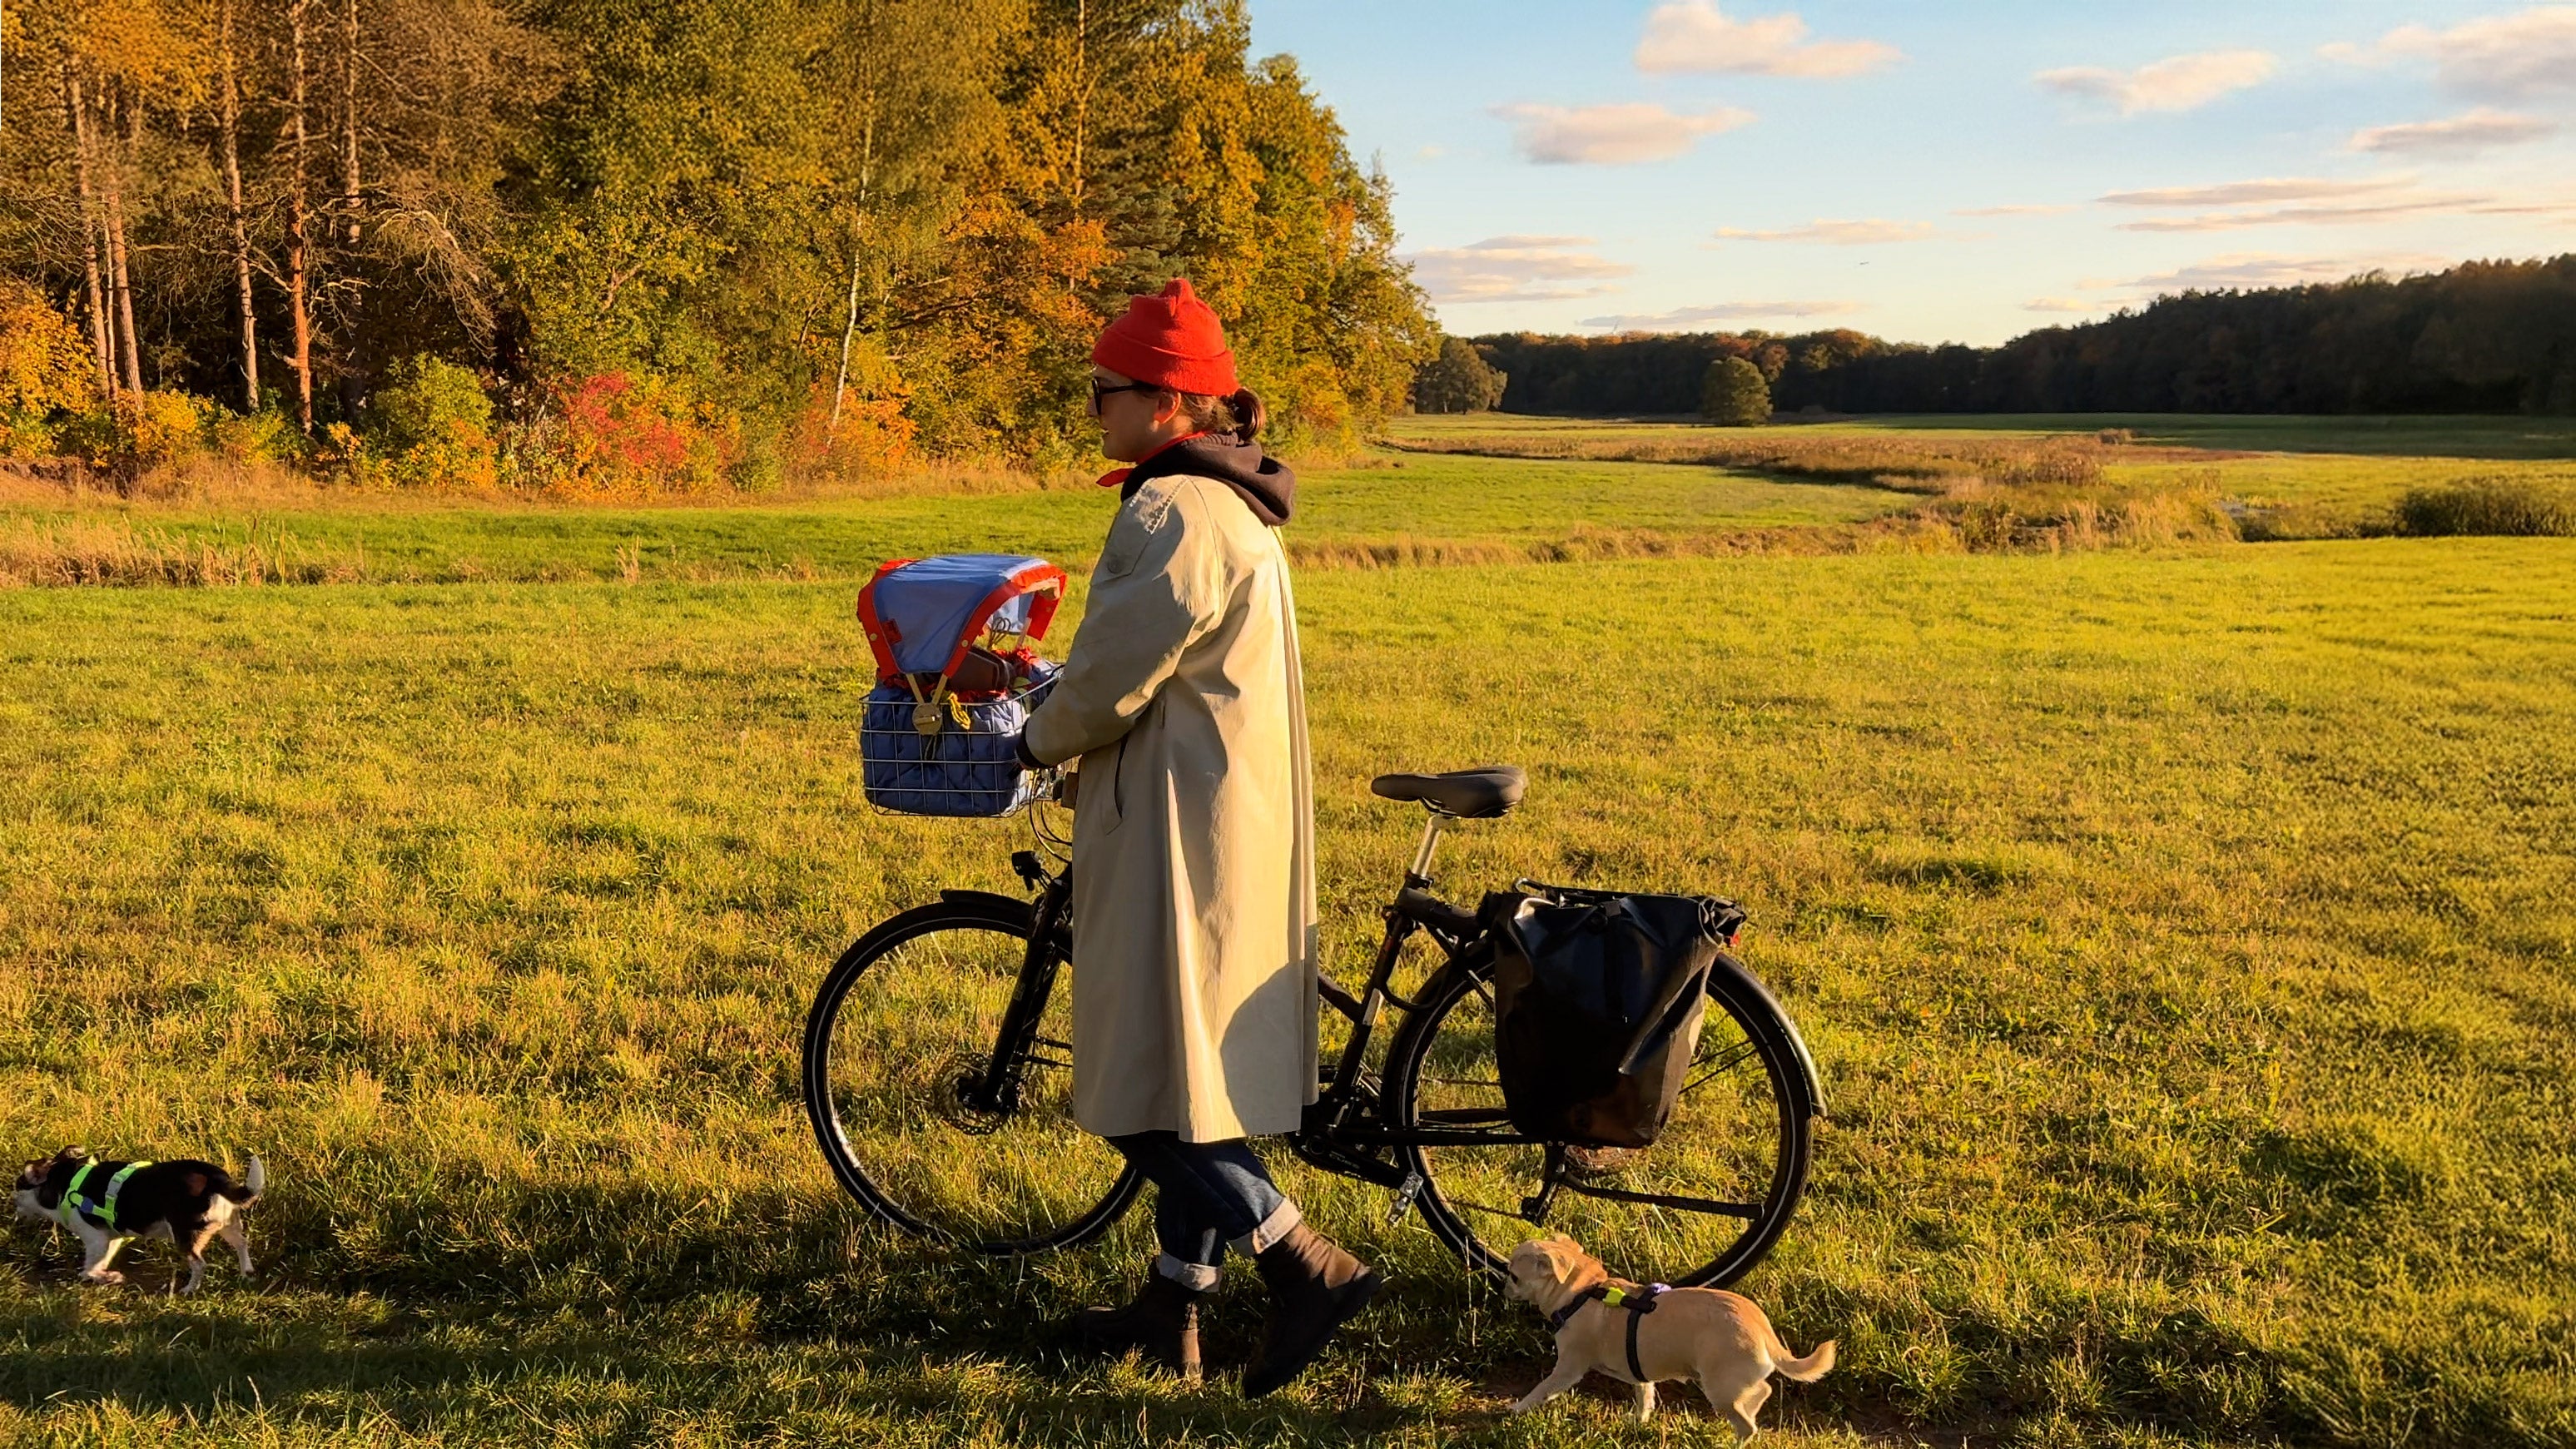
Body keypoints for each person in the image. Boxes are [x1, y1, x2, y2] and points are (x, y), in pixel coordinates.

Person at [1015, 278, 1377, 1397]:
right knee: (1194, 1074)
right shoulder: (1227, 502)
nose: (1094, 411)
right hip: (1220, 810)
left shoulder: (1174, 509)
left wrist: (1034, 735)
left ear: (1166, 399)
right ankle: (1173, 1307)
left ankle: (1303, 1257)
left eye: (1103, 391)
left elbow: (1117, 677)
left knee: (1135, 1083)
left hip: (1179, 826)